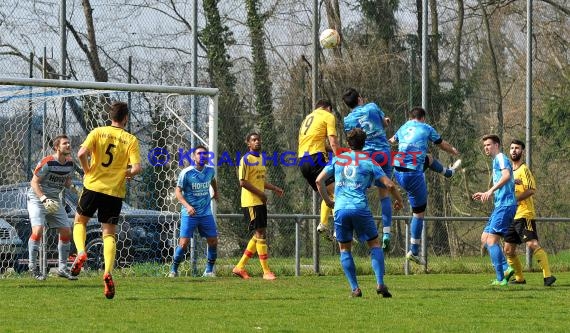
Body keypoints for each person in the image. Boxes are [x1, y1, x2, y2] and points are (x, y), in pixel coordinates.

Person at [316, 128, 403, 297]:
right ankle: (380, 284)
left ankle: (355, 289)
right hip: (360, 208)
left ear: (348, 143)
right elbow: (389, 185)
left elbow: (319, 181)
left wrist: (327, 201)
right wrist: (399, 200)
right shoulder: (369, 162)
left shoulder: (338, 159)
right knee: (374, 244)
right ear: (364, 144)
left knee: (344, 249)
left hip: (340, 209)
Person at [70, 101, 142, 299]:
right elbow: (136, 169)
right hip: (114, 191)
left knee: (80, 221)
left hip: (93, 186)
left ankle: (81, 252)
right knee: (108, 233)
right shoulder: (130, 139)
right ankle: (108, 272)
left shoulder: (97, 132)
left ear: (111, 116)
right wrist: (122, 174)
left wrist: (87, 171)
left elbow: (81, 153)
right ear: (126, 118)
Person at [390, 107, 461, 265]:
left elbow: (391, 141)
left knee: (427, 158)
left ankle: (447, 173)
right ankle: (414, 251)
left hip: (398, 172)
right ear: (422, 118)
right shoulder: (426, 127)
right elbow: (442, 144)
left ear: (410, 117)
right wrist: (453, 150)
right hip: (412, 175)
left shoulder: (403, 127)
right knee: (418, 214)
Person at [342, 88, 394, 250]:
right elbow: (384, 124)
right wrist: (387, 121)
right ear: (359, 98)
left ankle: (360, 230)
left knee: (359, 192)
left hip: (366, 157)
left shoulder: (348, 119)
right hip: (383, 153)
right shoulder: (372, 106)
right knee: (384, 194)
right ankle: (386, 233)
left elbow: (352, 140)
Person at [503, 139, 556, 286]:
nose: (514, 150)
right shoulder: (509, 173)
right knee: (508, 249)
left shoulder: (523, 170)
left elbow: (531, 189)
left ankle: (548, 276)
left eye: (517, 148)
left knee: (532, 244)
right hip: (512, 216)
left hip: (524, 214)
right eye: (512, 148)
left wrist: (515, 199)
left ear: (522, 151)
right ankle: (520, 278)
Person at [232, 132, 284, 280]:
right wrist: (260, 194)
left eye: (259, 139)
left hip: (259, 201)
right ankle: (266, 271)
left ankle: (240, 267)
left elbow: (260, 181)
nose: (257, 142)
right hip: (251, 202)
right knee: (260, 233)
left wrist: (274, 188)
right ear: (248, 143)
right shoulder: (245, 159)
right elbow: (243, 182)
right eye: (254, 140)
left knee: (259, 234)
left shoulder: (261, 158)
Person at [26, 135, 77, 281]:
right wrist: (43, 198)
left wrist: (75, 187)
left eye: (69, 143)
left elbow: (67, 182)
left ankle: (62, 268)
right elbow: (34, 183)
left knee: (66, 231)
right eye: (65, 143)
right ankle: (33, 267)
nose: (68, 145)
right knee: (38, 230)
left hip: (54, 200)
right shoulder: (47, 162)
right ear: (57, 147)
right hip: (37, 198)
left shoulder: (69, 164)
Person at [472, 134, 517, 286]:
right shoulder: (496, 161)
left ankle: (502, 274)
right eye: (484, 145)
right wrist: (486, 193)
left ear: (496, 145)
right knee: (485, 238)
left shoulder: (500, 158)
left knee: (492, 240)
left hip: (505, 205)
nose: (486, 148)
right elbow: (509, 179)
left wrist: (490, 191)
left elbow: (506, 176)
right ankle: (503, 273)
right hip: (501, 205)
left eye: (489, 145)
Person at [168, 145, 219, 278]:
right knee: (183, 243)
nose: (202, 156)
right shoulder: (186, 173)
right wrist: (188, 206)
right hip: (189, 213)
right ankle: (173, 270)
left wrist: (216, 192)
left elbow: (213, 180)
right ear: (194, 157)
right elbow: (178, 192)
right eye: (199, 154)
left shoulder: (210, 170)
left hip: (205, 213)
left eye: (205, 154)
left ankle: (208, 271)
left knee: (213, 241)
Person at [297, 99, 340, 240]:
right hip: (317, 158)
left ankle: (324, 224)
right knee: (338, 190)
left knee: (327, 191)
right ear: (328, 108)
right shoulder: (328, 115)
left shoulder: (307, 118)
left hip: (303, 161)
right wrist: (339, 156)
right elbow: (332, 141)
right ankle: (338, 229)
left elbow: (318, 143)